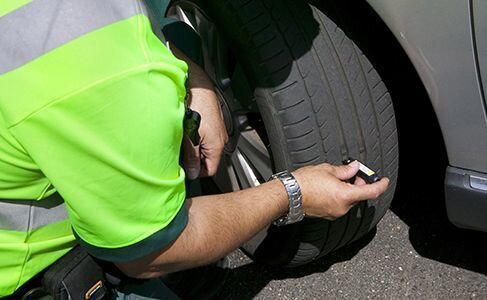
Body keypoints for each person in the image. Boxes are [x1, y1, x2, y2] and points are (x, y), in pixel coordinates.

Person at [0, 0, 389, 298]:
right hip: (25, 274)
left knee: (180, 35)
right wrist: (293, 192)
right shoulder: (93, 73)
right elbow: (148, 254)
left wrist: (193, 76)